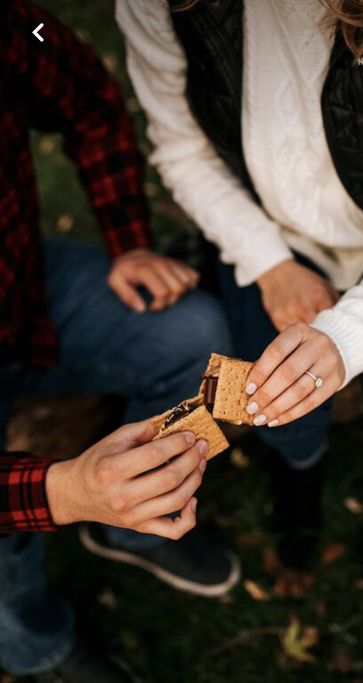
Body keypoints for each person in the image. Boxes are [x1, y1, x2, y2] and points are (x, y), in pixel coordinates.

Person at [116, 0, 363, 579]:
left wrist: (348, 335)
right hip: (271, 237)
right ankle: (299, 469)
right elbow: (182, 150)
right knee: (269, 404)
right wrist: (269, 264)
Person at [0, 1, 239, 681]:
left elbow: (89, 102)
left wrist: (129, 237)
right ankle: (36, 645)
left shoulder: (13, 25)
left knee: (200, 340)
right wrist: (67, 489)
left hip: (25, 293)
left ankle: (131, 525)